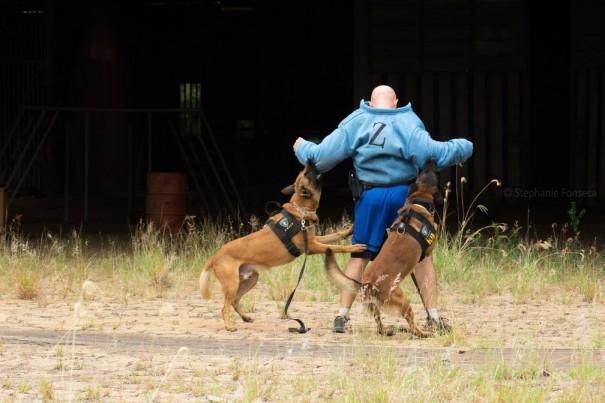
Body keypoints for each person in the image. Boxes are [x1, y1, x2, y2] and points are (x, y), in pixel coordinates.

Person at [292, 85, 473, 334]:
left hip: (369, 197)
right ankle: (433, 317)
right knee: (421, 255)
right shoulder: (408, 121)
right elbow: (434, 155)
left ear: (369, 102)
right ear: (396, 102)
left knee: (360, 253)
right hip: (403, 199)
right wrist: (465, 146)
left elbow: (321, 157)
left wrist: (302, 148)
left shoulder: (357, 120)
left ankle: (341, 317)